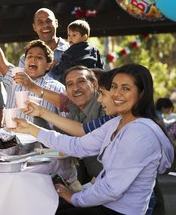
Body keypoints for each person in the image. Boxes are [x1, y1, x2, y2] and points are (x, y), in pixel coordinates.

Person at [12, 63, 174, 215]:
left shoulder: (139, 132)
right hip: (104, 200)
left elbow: (112, 189)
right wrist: (30, 128)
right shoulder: (117, 122)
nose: (116, 94)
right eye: (114, 87)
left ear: (142, 93)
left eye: (125, 88)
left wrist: (75, 198)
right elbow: (77, 145)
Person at [0, 36, 66, 129]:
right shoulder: (16, 77)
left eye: (39, 57)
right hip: (12, 138)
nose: (33, 59)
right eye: (30, 56)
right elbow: (2, 64)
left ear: (48, 65)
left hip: (40, 141)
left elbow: (67, 120)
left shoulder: (57, 88)